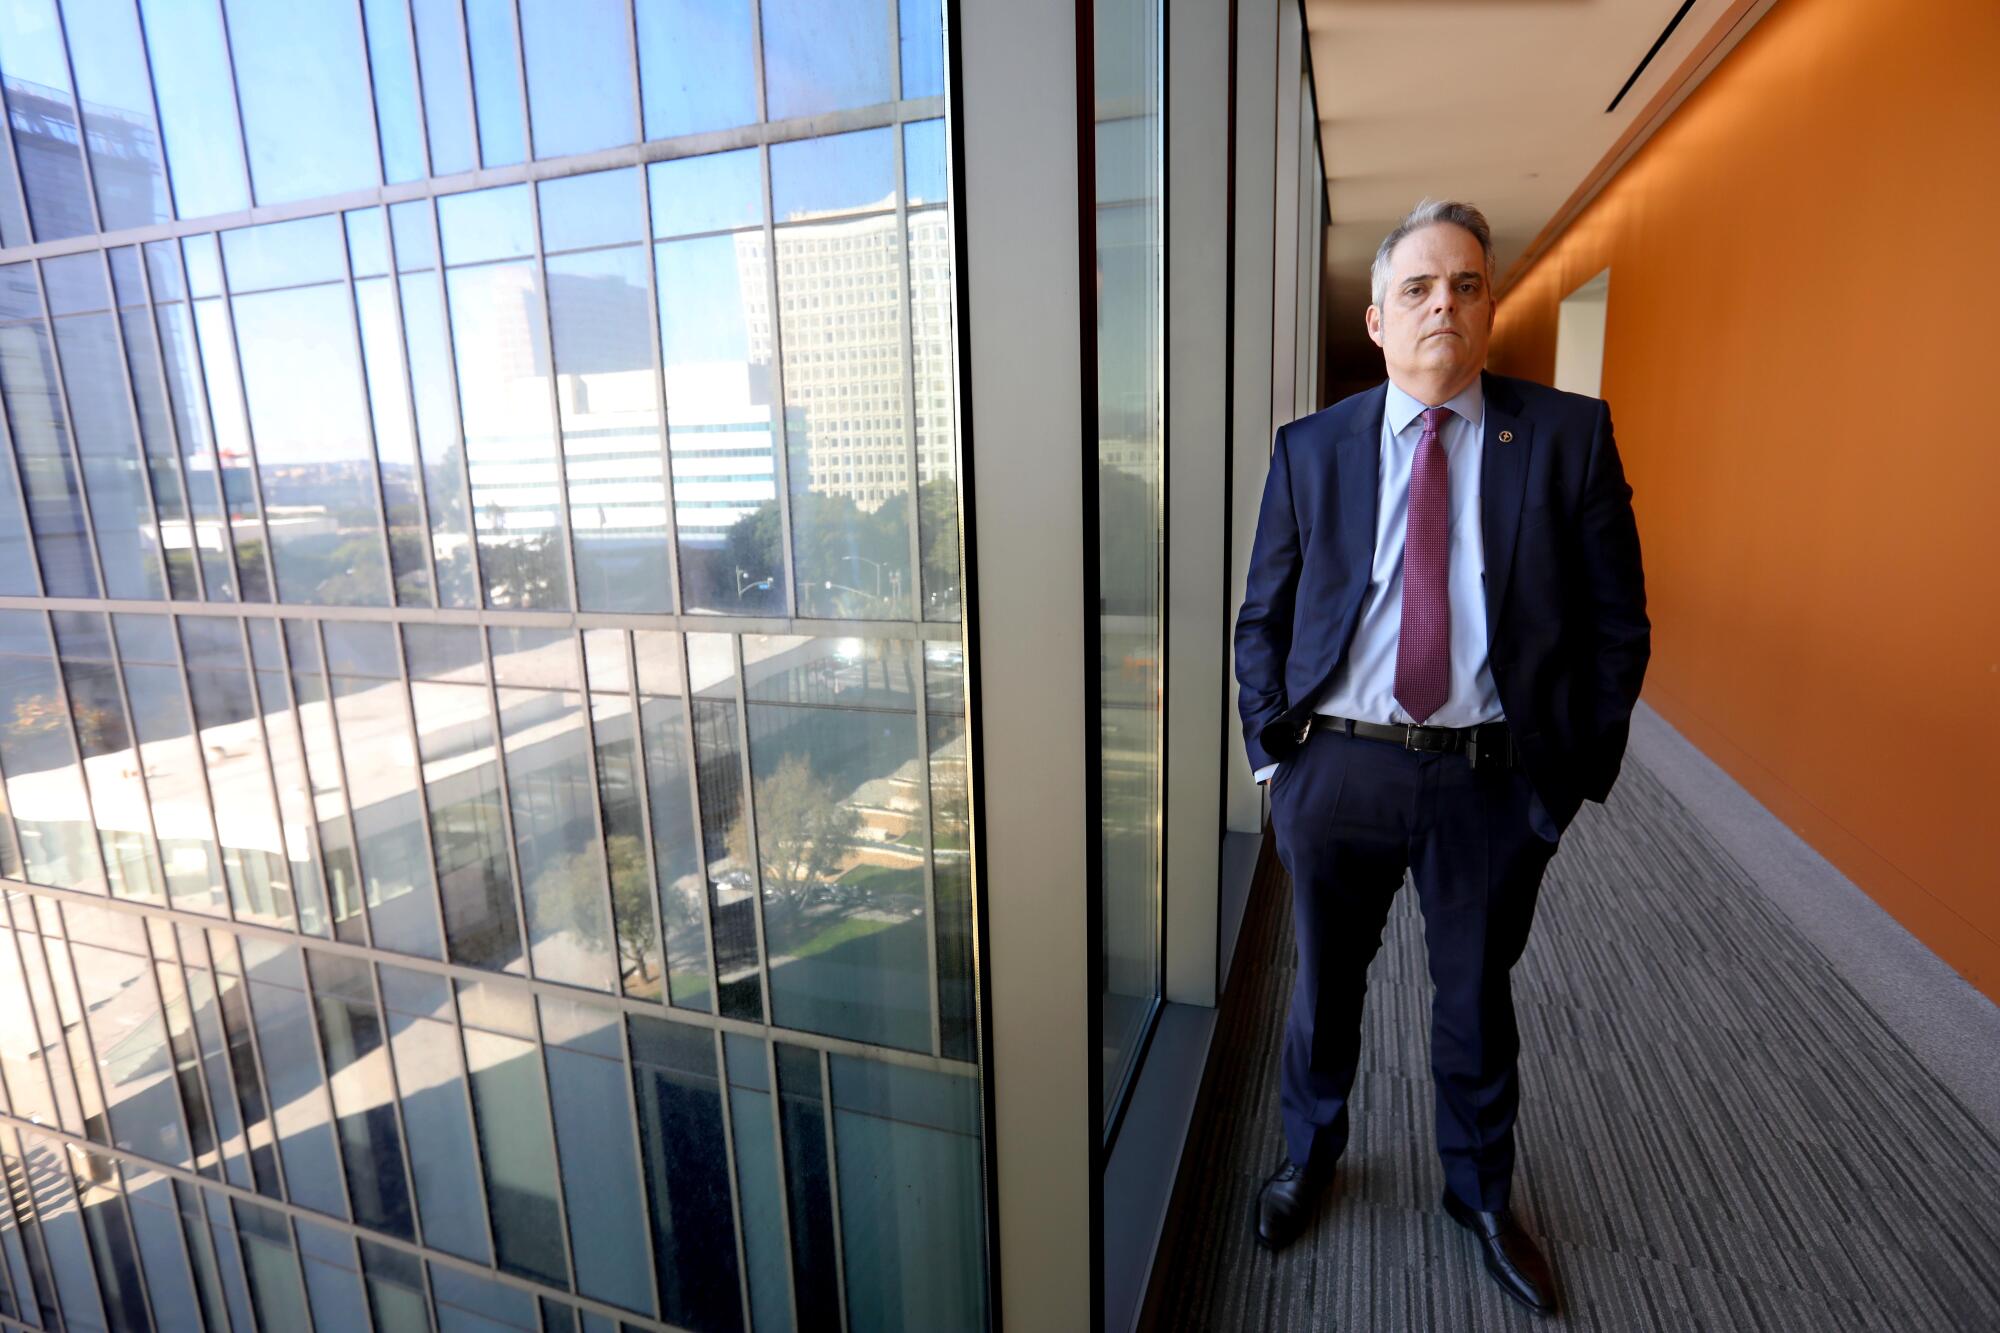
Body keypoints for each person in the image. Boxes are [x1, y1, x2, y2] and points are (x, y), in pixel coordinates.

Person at [1232, 199, 1650, 1317]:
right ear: (1374, 319)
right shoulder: (1309, 448)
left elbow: (1619, 627)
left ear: (1489, 308)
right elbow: (1260, 618)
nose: (1442, 305)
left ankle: (1478, 1194)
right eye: (1417, 288)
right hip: (1338, 767)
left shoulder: (1565, 436)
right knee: (1323, 986)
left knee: (1473, 996)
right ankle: (1309, 1156)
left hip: (1488, 779)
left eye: (1464, 284)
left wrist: (1563, 786)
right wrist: (1275, 767)